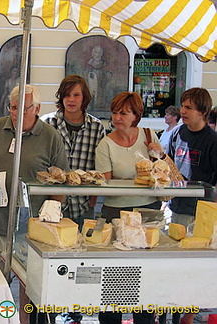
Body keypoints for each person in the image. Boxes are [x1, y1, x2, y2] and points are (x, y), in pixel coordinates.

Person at [0, 84, 69, 268]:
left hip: (30, 229)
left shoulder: (50, 137)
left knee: (28, 285)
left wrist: (49, 218)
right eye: (13, 107)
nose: (16, 114)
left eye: (24, 109)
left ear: (37, 109)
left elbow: (61, 183)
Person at [95, 91, 163, 324]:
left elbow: (160, 174)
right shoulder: (105, 144)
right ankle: (111, 319)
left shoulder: (148, 135)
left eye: (123, 113)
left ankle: (144, 318)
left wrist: (159, 156)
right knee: (115, 274)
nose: (117, 117)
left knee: (146, 273)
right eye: (115, 112)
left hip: (148, 211)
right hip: (117, 213)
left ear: (136, 115)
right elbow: (106, 185)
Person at [41, 74, 105, 227]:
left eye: (76, 95)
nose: (71, 99)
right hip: (51, 202)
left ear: (84, 98)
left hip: (83, 204)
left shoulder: (96, 127)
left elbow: (99, 167)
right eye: (67, 95)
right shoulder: (47, 123)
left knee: (82, 247)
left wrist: (93, 201)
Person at [166, 88, 217, 227]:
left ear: (203, 112)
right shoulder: (177, 133)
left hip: (201, 209)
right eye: (182, 106)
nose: (182, 111)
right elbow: (169, 165)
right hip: (176, 205)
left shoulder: (212, 140)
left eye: (189, 108)